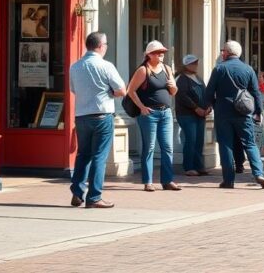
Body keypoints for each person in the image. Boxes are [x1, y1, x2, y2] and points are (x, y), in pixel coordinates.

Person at [69, 32, 125, 208]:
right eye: (106, 44)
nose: (106, 47)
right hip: (102, 115)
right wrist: (108, 92)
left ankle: (77, 192)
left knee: (83, 155)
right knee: (99, 156)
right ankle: (94, 197)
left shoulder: (75, 67)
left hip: (81, 116)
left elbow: (73, 89)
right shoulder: (106, 66)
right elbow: (121, 90)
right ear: (101, 46)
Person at [205, 40, 264, 189]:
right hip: (244, 112)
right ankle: (258, 173)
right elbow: (256, 93)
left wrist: (209, 105)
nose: (222, 53)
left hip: (223, 113)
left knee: (226, 144)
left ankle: (228, 180)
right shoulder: (248, 69)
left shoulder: (219, 69)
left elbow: (209, 92)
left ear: (227, 53)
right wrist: (258, 111)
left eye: (223, 51)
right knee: (250, 143)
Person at [127, 41, 180, 192]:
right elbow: (130, 90)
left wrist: (173, 86)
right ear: (149, 55)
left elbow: (173, 92)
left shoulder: (167, 69)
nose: (161, 54)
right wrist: (142, 107)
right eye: (157, 52)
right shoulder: (143, 70)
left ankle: (167, 180)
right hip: (149, 115)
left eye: (162, 52)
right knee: (149, 147)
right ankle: (148, 181)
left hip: (166, 113)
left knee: (167, 147)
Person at [176, 54, 211, 176]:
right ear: (186, 65)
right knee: (191, 139)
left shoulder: (198, 78)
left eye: (196, 63)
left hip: (200, 115)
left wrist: (208, 106)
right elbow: (182, 96)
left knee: (199, 140)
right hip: (186, 115)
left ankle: (199, 165)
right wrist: (196, 108)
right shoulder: (182, 79)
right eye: (193, 63)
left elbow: (205, 93)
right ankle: (189, 167)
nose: (196, 65)